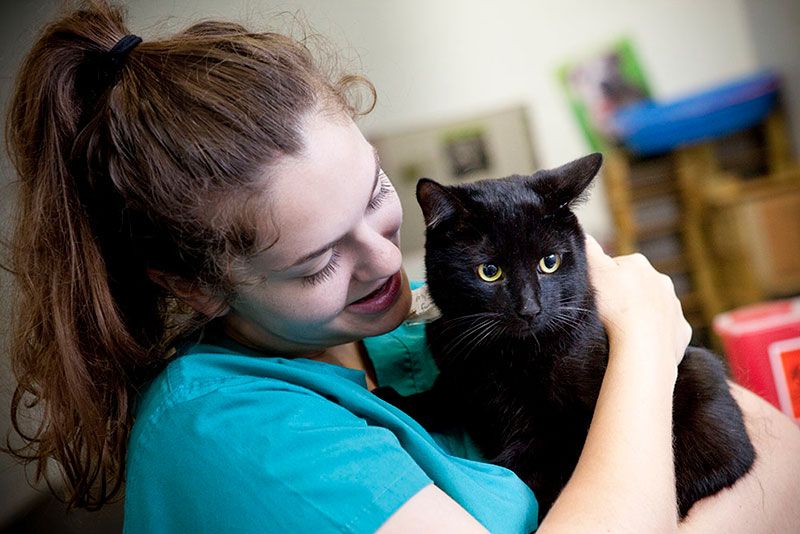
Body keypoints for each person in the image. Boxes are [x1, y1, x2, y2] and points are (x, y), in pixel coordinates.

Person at [4, 1, 799, 532]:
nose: (387, 260)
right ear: (192, 283)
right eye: (320, 261)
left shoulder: (402, 322)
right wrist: (645, 342)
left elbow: (782, 453)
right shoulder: (242, 441)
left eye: (377, 194)